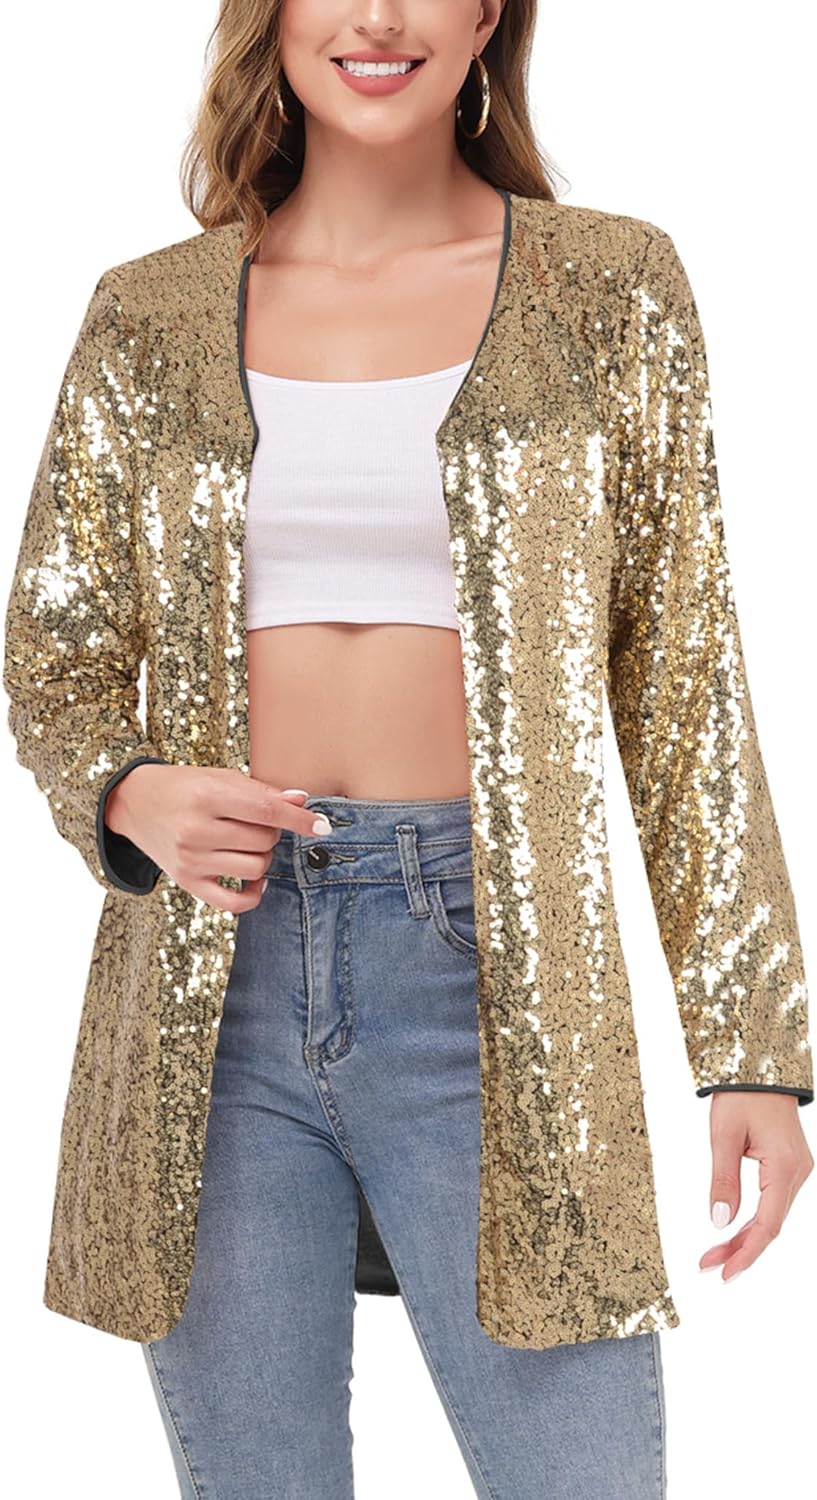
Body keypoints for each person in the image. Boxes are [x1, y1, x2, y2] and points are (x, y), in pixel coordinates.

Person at [5, 2, 813, 1497]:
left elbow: (683, 675)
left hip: (492, 971)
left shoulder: (609, 287)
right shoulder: (146, 313)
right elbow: (51, 656)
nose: (377, 16)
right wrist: (129, 794)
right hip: (210, 989)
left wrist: (752, 1049)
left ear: (488, 11)